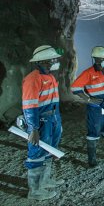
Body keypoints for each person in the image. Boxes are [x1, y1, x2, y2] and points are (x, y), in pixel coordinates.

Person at [22, 45, 64, 200]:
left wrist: (58, 122)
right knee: (36, 154)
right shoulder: (33, 79)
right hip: (41, 121)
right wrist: (33, 128)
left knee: (49, 150)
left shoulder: (50, 77)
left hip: (53, 118)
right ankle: (35, 191)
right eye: (52, 59)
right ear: (43, 61)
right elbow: (29, 105)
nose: (55, 61)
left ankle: (44, 181)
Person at [71, 46, 104, 167]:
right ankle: (92, 161)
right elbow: (75, 88)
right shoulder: (88, 73)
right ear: (97, 59)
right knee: (94, 132)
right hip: (96, 109)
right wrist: (89, 99)